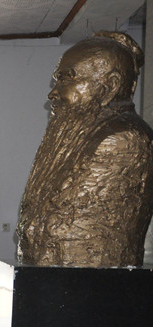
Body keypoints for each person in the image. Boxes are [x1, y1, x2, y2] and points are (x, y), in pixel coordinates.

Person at [16, 31, 153, 267]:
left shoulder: (123, 140)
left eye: (66, 79)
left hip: (84, 281)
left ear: (110, 85)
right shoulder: (81, 137)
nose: (53, 93)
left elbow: (64, 230)